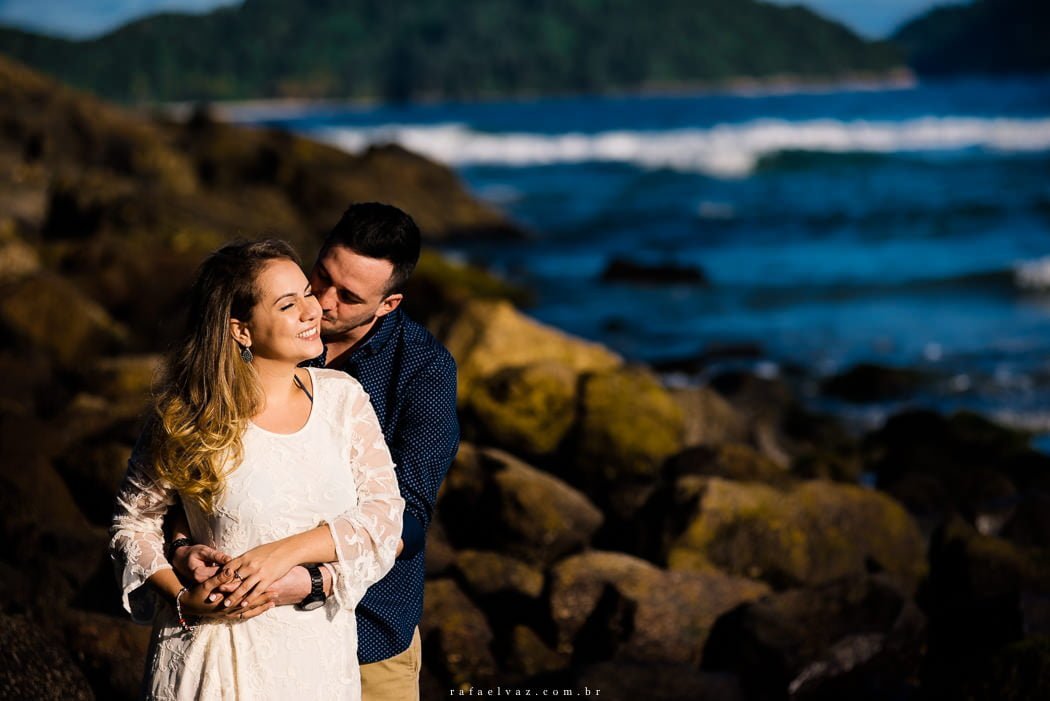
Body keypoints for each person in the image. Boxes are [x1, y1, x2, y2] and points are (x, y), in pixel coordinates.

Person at [171, 203, 460, 700]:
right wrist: (181, 548)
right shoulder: (255, 339)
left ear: (388, 305)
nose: (322, 303)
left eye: (348, 297)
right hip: (240, 624)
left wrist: (310, 582)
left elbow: (406, 518)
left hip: (368, 630)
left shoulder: (423, 371)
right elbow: (185, 482)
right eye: (320, 277)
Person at [110, 239, 405, 700]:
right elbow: (134, 524)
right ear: (241, 330)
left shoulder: (343, 400)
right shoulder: (189, 414)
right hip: (211, 659)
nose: (313, 311)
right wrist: (183, 597)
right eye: (289, 304)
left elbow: (383, 520)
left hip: (317, 662)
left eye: (308, 292)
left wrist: (285, 555)